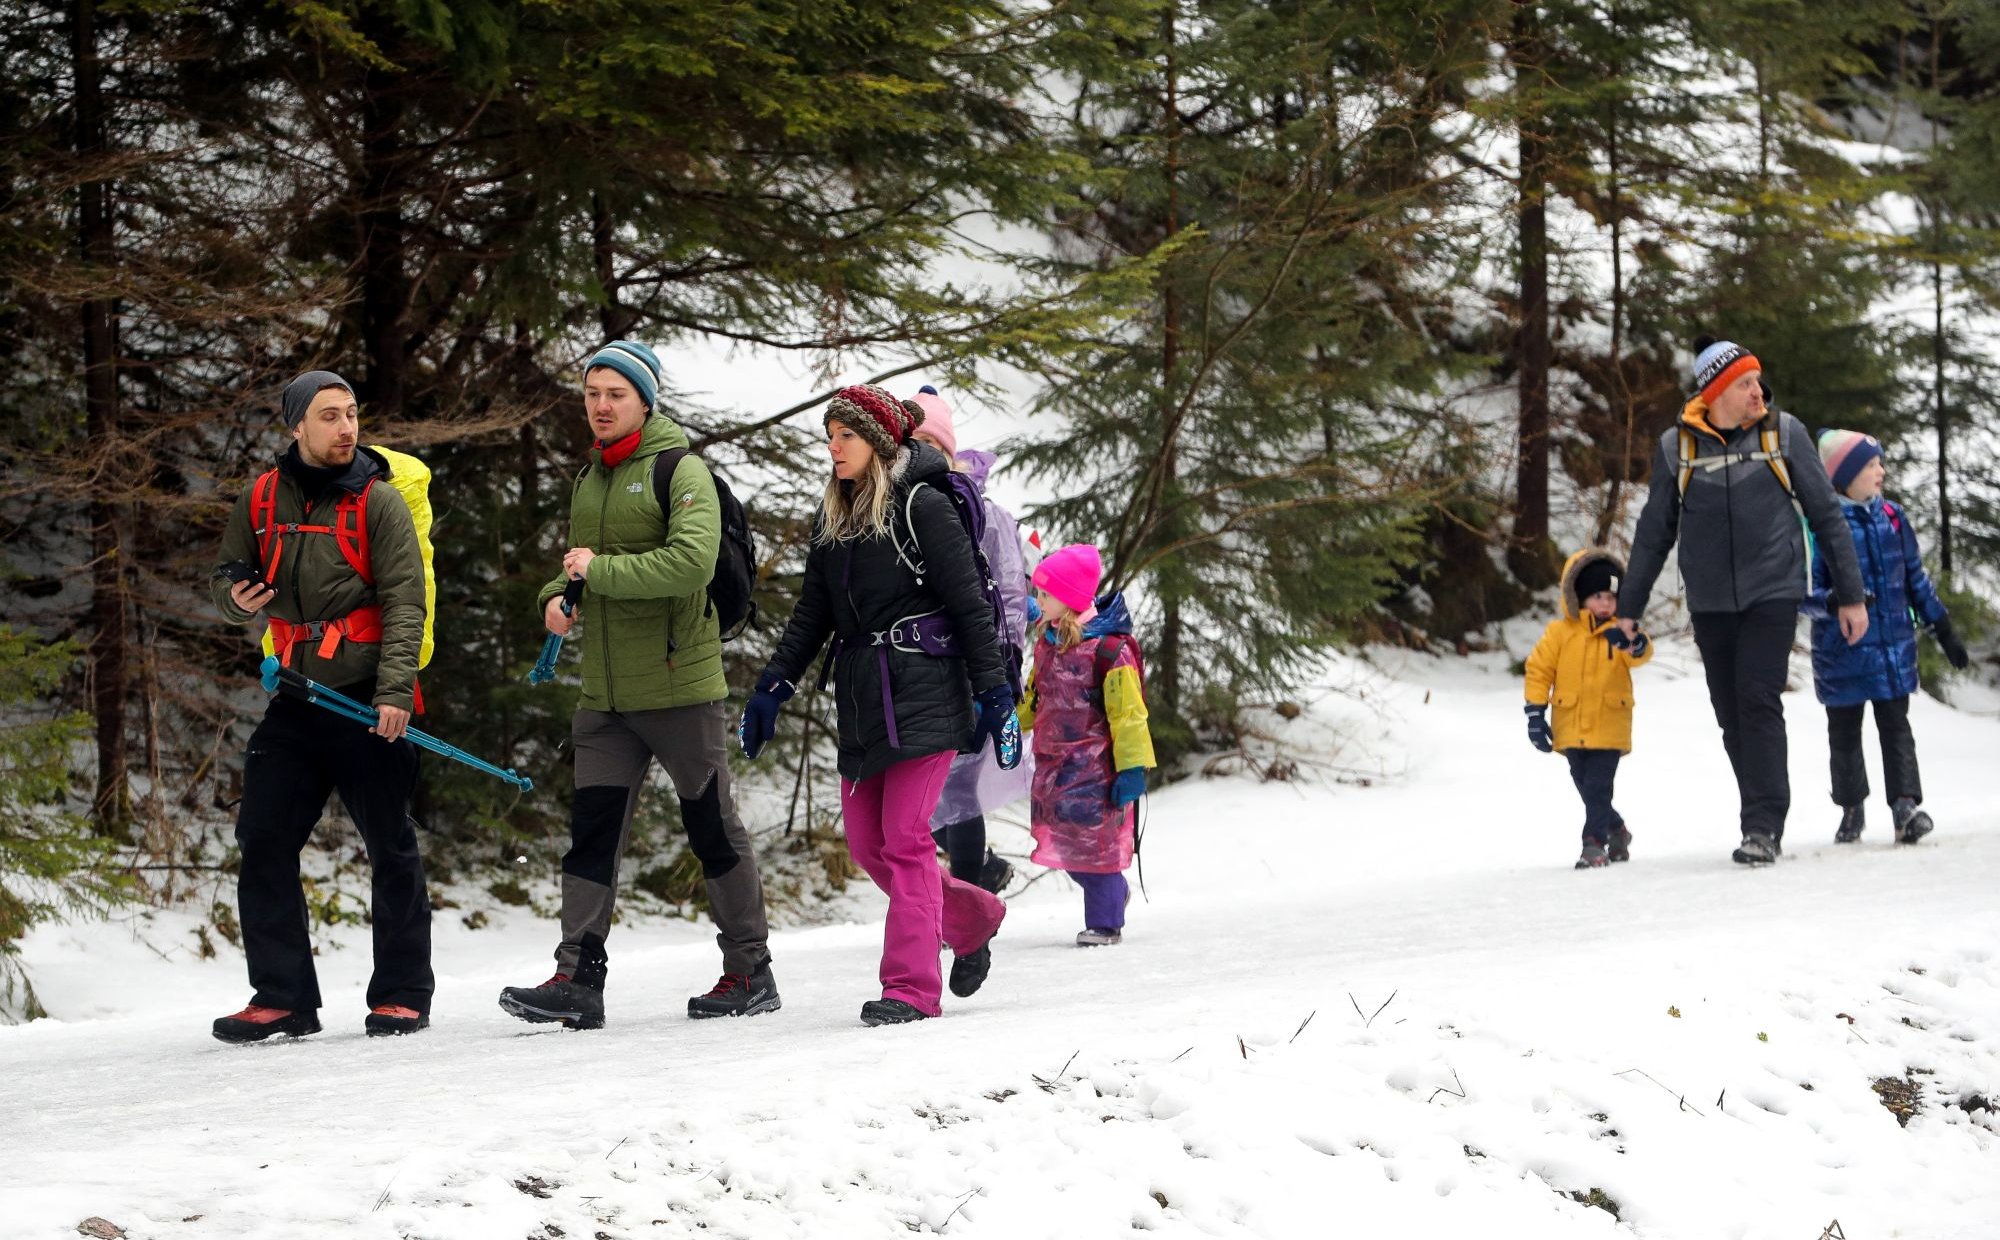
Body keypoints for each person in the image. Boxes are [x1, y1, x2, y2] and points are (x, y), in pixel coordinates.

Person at [498, 340, 776, 1032]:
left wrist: (599, 573)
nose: (599, 405)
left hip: (680, 687)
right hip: (605, 697)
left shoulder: (683, 472)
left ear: (645, 401)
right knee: (590, 835)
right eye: (591, 393)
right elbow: (574, 572)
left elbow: (689, 564)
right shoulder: (589, 478)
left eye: (615, 394)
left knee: (711, 828)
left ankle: (749, 970)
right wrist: (553, 602)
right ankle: (575, 977)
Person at [738, 383, 1014, 1025]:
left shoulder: (924, 506)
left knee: (906, 838)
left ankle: (911, 989)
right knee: (867, 845)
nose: (834, 449)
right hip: (864, 698)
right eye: (830, 437)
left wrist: (995, 692)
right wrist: (772, 687)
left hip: (928, 692)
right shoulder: (834, 515)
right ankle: (972, 918)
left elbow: (972, 604)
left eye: (847, 437)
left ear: (881, 442)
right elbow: (812, 615)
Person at [208, 370, 431, 1042]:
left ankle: (401, 995)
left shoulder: (380, 502)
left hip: (367, 700)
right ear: (296, 426)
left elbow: (405, 601)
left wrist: (395, 691)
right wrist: (234, 598)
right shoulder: (261, 497)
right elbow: (228, 575)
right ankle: (282, 997)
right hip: (298, 700)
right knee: (263, 837)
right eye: (330, 416)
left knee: (389, 844)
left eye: (352, 415)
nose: (346, 429)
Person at [1617, 338, 1868, 865]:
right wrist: (1628, 609)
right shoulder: (1676, 448)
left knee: (1757, 698)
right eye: (1746, 384)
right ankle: (1760, 807)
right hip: (1709, 601)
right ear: (1717, 393)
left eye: (1758, 381)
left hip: (1772, 589)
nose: (1759, 391)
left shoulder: (1784, 433)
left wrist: (1851, 596)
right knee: (1731, 714)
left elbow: (1826, 515)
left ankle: (1762, 823)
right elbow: (1652, 534)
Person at [1807, 430, 1970, 845]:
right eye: (1869, 465)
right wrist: (1839, 600)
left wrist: (1942, 627)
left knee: (1896, 728)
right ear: (1844, 476)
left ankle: (1904, 807)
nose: (1880, 471)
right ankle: (1851, 808)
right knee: (1843, 734)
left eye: (1879, 462)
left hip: (1893, 648)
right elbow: (1803, 593)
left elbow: (1916, 579)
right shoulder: (1821, 526)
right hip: (1841, 651)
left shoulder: (1893, 519)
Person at [908, 385, 1032, 895]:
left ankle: (967, 903)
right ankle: (972, 882)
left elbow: (1008, 593)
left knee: (958, 791)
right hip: (912, 675)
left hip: (971, 671)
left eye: (928, 445)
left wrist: (1002, 670)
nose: (917, 456)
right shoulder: (891, 510)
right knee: (919, 796)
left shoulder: (986, 514)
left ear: (948, 452)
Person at [1018, 544, 1155, 946]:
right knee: (1060, 839)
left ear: (1070, 599)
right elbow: (1035, 698)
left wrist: (1132, 769)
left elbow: (1129, 715)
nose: (1037, 600)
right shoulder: (1048, 643)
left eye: (1044, 594)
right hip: (1053, 764)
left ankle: (1105, 919)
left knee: (1094, 845)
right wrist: (1007, 723)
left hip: (1096, 767)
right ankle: (1112, 890)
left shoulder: (1110, 652)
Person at [1523, 549, 1655, 869]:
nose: (1606, 603)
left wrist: (1633, 642)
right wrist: (1536, 713)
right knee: (1586, 786)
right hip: (1571, 725)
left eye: (1612, 596)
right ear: (1579, 596)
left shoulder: (1620, 631)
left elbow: (1641, 653)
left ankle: (1593, 843)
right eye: (1598, 595)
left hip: (1609, 725)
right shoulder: (1560, 633)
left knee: (1598, 786)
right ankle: (1617, 829)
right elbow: (1540, 670)